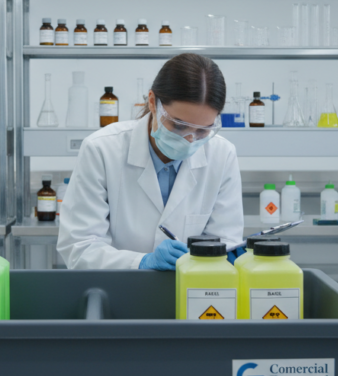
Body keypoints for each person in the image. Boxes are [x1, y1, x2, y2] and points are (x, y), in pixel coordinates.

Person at [58, 53, 244, 270]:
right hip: (122, 292)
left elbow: (226, 243)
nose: (190, 139)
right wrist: (141, 263)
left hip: (194, 295)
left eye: (203, 130)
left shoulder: (222, 155)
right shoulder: (101, 150)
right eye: (179, 125)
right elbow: (80, 247)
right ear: (153, 102)